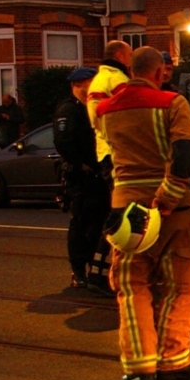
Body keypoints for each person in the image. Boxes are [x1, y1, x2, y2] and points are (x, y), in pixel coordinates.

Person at [95, 46, 190, 380]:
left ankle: (138, 366)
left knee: (132, 287)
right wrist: (170, 196)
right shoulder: (172, 104)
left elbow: (111, 151)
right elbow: (185, 152)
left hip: (126, 211)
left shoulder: (104, 110)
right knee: (182, 285)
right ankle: (174, 358)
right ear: (160, 72)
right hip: (168, 212)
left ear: (130, 70)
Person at [53, 67, 112, 293]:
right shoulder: (69, 110)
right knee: (81, 224)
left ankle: (94, 270)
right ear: (78, 85)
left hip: (96, 176)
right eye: (90, 82)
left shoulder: (90, 108)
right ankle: (78, 270)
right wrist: (81, 164)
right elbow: (64, 142)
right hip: (81, 178)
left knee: (98, 223)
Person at [87, 40, 133, 164]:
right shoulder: (117, 79)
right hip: (119, 151)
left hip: (104, 149)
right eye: (130, 55)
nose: (132, 59)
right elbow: (132, 114)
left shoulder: (99, 79)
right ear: (120, 55)